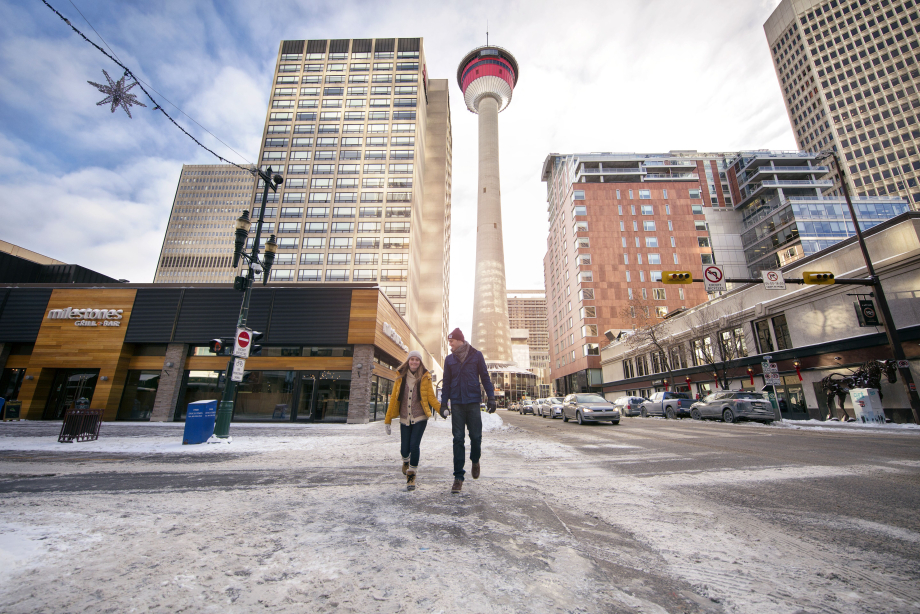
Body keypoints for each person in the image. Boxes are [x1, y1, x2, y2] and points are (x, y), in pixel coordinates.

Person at [440, 328, 496, 494]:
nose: (449, 343)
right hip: (457, 402)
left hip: (472, 402)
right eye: (449, 341)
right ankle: (458, 477)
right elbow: (446, 383)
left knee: (476, 437)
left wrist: (491, 398)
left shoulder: (476, 355)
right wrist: (444, 404)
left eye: (452, 341)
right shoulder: (449, 359)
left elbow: (485, 377)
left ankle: (475, 460)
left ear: (460, 340)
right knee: (458, 439)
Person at [384, 350, 440, 491]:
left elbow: (431, 398)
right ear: (408, 361)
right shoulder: (400, 377)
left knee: (414, 446)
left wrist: (442, 410)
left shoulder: (425, 377)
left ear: (420, 362)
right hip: (404, 418)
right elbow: (393, 400)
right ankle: (405, 460)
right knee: (404, 448)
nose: (414, 362)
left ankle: (411, 476)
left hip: (420, 417)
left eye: (417, 360)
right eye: (412, 359)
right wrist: (387, 420)